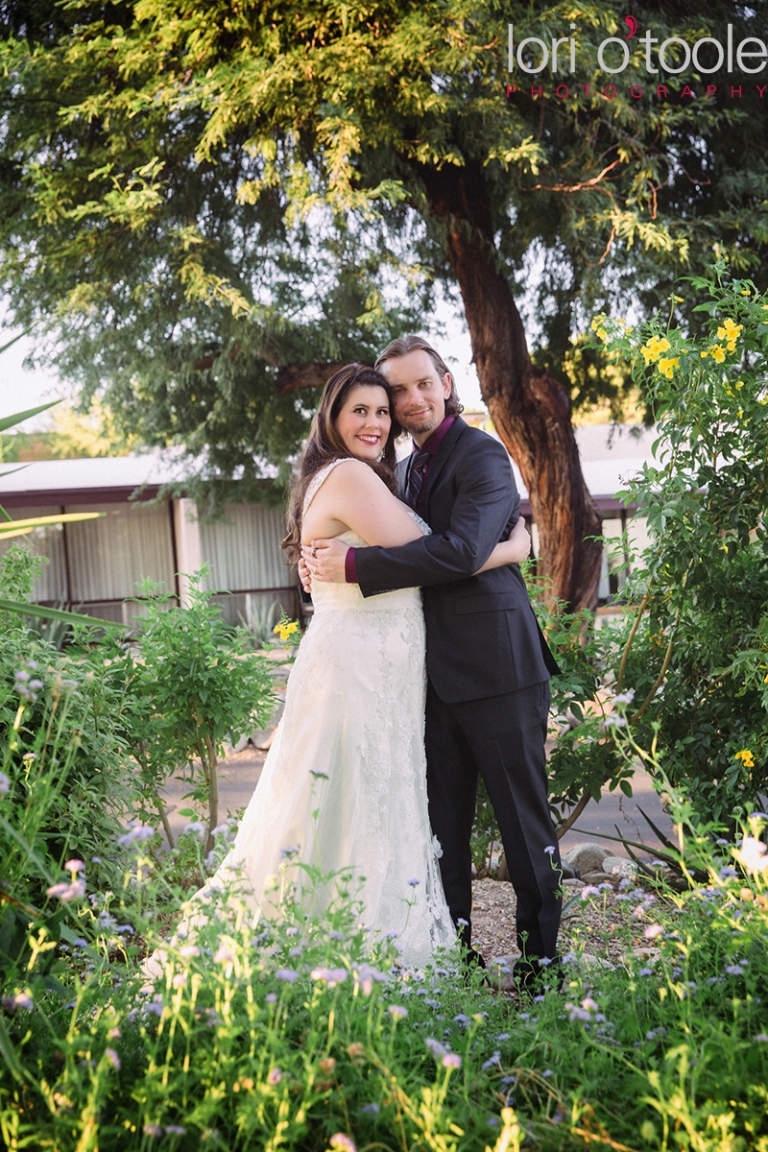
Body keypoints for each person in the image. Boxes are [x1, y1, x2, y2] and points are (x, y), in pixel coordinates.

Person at [170, 362, 530, 970]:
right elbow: (437, 552)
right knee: (356, 799)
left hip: (368, 662)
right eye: (359, 411)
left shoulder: (350, 476)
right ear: (332, 419)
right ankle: (356, 947)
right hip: (360, 668)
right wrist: (519, 546)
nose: (375, 422)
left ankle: (340, 933)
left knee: (347, 799)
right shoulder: (352, 478)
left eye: (381, 411)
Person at [303, 337, 563, 983]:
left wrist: (355, 564)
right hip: (420, 678)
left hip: (498, 670)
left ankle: (543, 970)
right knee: (436, 831)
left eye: (424, 384)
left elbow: (459, 551)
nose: (411, 400)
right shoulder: (402, 467)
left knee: (523, 828)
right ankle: (458, 963)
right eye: (397, 392)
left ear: (447, 383)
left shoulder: (482, 455)